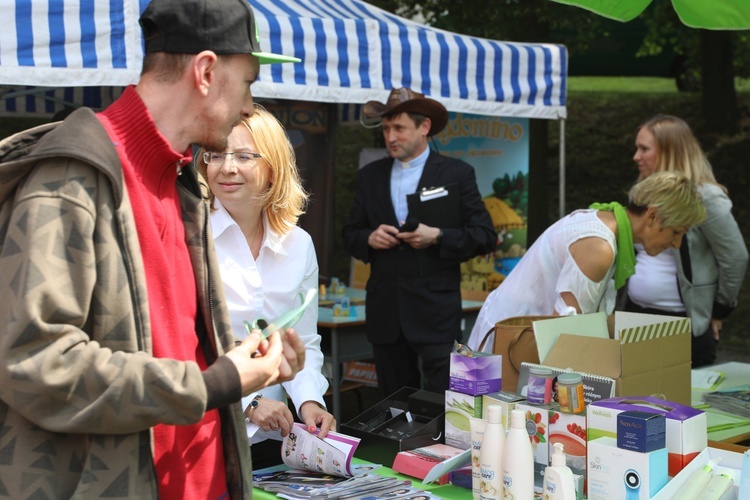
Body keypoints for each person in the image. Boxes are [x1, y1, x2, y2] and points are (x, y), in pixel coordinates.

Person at [0, 0, 307, 498]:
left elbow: (162, 345)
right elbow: (37, 365)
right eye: (248, 81)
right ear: (206, 71)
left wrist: (237, 364)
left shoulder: (184, 180)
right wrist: (216, 383)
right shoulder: (71, 181)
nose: (251, 105)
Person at [197, 105, 335, 469]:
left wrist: (309, 402)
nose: (227, 167)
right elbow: (183, 347)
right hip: (203, 434)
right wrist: (249, 404)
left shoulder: (298, 244)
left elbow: (301, 341)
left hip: (274, 440)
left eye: (244, 156)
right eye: (216, 155)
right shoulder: (191, 237)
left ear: (273, 168)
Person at [342, 88, 496, 398]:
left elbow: (485, 236)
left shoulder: (456, 173)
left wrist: (437, 236)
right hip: (386, 310)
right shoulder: (371, 175)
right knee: (395, 403)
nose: (390, 137)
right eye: (386, 129)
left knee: (447, 400)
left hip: (436, 312)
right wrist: (369, 239)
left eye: (399, 128)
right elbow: (350, 233)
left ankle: (448, 447)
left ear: (424, 127)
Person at [467, 171, 707, 351]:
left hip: (516, 340)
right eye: (676, 232)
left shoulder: (604, 222)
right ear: (652, 215)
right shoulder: (599, 247)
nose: (676, 244)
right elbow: (561, 335)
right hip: (507, 346)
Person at [622, 115, 748, 367]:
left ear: (671, 152)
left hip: (683, 324)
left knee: (680, 402)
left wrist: (718, 310)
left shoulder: (706, 197)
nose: (636, 156)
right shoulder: (644, 193)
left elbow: (735, 257)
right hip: (635, 317)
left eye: (644, 149)